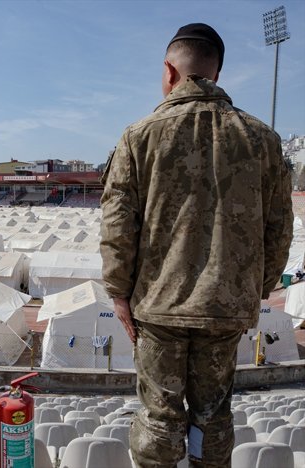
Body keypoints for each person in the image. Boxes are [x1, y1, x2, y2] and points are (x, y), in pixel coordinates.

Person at [100, 23, 293, 467]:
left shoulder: (139, 135)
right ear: (216, 75)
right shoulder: (263, 139)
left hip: (159, 304)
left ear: (170, 71)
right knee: (213, 416)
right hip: (226, 307)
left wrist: (118, 292)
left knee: (158, 418)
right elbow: (281, 225)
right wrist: (257, 288)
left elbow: (117, 225)